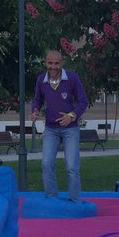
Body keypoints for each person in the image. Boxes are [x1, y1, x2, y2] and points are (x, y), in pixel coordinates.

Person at [30, 50, 89, 203]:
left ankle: (75, 201)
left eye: (56, 63)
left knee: (72, 167)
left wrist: (71, 116)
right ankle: (51, 199)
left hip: (71, 129)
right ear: (45, 63)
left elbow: (83, 102)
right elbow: (37, 100)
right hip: (51, 129)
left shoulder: (72, 78)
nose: (53, 66)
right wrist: (35, 110)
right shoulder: (41, 80)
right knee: (46, 164)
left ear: (62, 63)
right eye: (50, 63)